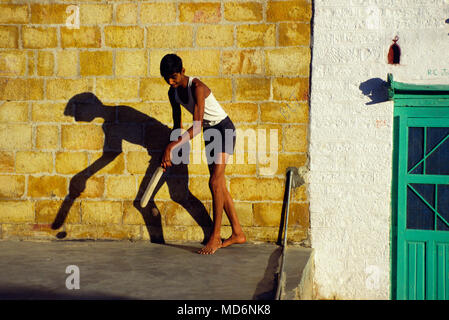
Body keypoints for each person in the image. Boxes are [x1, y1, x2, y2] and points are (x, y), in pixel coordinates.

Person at [160, 53, 246, 254]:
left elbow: (196, 127)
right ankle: (237, 233)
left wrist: (171, 147)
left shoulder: (197, 88)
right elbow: (176, 125)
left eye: (174, 77)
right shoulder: (172, 93)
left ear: (183, 72)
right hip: (210, 132)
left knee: (215, 182)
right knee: (219, 184)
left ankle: (215, 237)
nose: (171, 82)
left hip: (224, 129)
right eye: (167, 78)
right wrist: (170, 148)